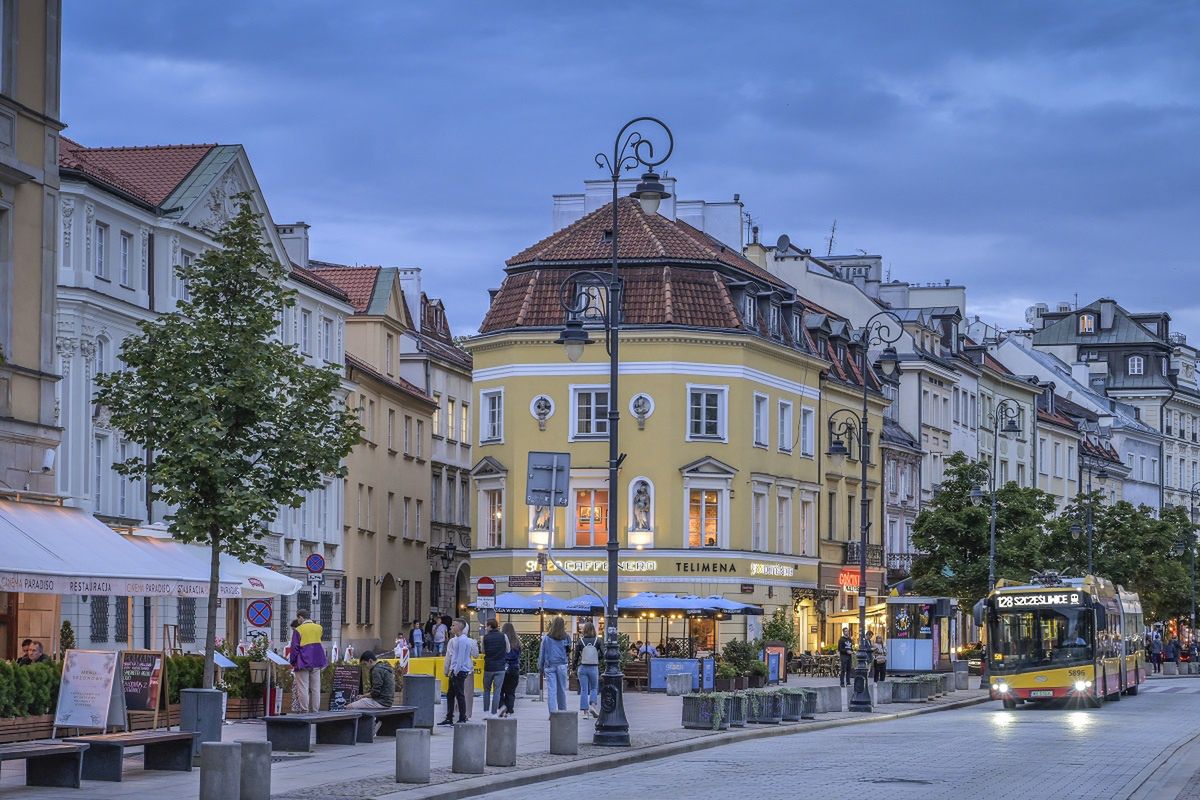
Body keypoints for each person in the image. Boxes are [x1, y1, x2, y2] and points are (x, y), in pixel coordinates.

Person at [289, 612, 328, 713]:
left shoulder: (298, 630)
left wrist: (293, 662)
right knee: (315, 688)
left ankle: (304, 710)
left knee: (303, 687)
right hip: (317, 661)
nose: (298, 621)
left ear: (301, 617)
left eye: (298, 619)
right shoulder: (319, 628)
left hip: (303, 662)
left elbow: (294, 648)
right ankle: (315, 711)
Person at [440, 618, 473, 725]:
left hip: (459, 671)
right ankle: (449, 716)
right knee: (451, 694)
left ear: (459, 627)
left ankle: (462, 717)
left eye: (453, 625)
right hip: (455, 670)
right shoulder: (457, 640)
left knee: (459, 694)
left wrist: (456, 670)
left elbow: (461, 657)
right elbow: (454, 657)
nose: (451, 627)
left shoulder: (463, 640)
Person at [539, 616, 571, 713]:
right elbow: (568, 651)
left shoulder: (546, 638)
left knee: (551, 690)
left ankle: (552, 713)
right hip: (562, 665)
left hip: (550, 666)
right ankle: (562, 711)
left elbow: (542, 653)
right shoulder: (566, 637)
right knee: (561, 690)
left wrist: (540, 667)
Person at [481, 618, 509, 717]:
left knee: (486, 690)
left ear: (490, 626)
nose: (485, 627)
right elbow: (508, 650)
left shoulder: (485, 637)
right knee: (497, 691)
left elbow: (483, 651)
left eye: (486, 626)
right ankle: (494, 713)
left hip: (488, 667)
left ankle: (485, 712)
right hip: (500, 667)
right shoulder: (503, 636)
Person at [573, 622, 601, 719]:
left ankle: (585, 713)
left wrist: (573, 668)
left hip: (582, 667)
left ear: (584, 630)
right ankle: (592, 706)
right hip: (593, 667)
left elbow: (575, 656)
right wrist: (597, 658)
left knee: (584, 689)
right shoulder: (598, 641)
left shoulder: (580, 641)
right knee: (594, 688)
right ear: (594, 629)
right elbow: (603, 653)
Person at [498, 622, 521, 717]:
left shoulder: (500, 640)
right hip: (514, 668)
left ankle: (502, 707)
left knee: (500, 690)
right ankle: (510, 710)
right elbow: (518, 654)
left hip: (502, 668)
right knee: (511, 691)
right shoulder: (517, 642)